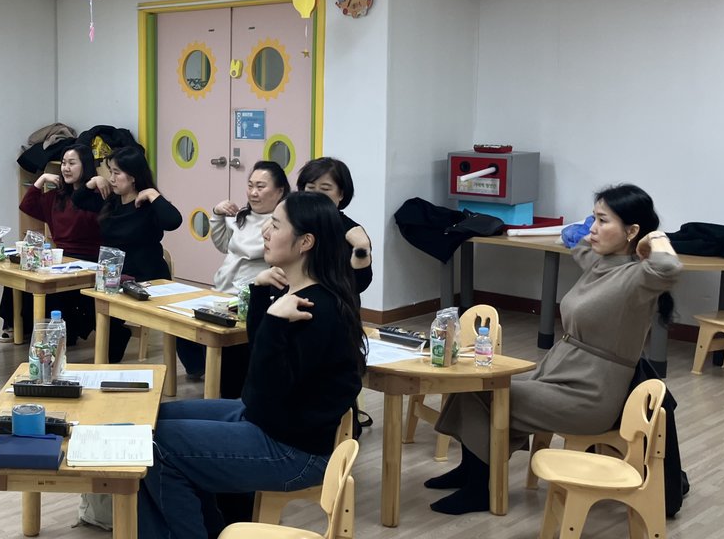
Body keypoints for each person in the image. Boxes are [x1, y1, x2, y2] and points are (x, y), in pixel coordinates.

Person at [428, 183, 681, 515]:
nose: (593, 228)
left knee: (484, 393)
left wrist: (655, 238)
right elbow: (575, 239)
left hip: (589, 394)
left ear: (632, 231)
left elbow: (668, 267)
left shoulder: (639, 279)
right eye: (594, 218)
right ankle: (470, 471)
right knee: (472, 383)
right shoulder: (601, 263)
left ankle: (479, 487)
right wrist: (592, 229)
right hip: (561, 375)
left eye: (603, 220)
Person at [137, 191, 368, 538]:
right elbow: (261, 364)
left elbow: (264, 387)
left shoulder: (315, 310)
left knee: (153, 444)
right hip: (268, 420)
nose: (265, 231)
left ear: (305, 242)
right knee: (150, 420)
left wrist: (274, 320)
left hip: (293, 448)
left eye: (275, 225)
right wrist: (261, 295)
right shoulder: (296, 294)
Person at [176, 160, 290, 388]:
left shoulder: (281, 225)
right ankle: (203, 369)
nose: (253, 192)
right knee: (181, 321)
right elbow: (224, 246)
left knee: (220, 344)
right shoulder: (242, 217)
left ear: (279, 191)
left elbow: (250, 249)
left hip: (246, 297)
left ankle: (219, 377)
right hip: (222, 290)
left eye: (261, 187)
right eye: (250, 185)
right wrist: (218, 216)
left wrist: (236, 227)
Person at [75, 145, 182, 362]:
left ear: (133, 177)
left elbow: (174, 221)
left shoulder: (148, 205)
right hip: (113, 278)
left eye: (117, 173)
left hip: (145, 277)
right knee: (82, 302)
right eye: (110, 172)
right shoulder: (111, 201)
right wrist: (93, 182)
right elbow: (78, 200)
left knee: (106, 310)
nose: (112, 179)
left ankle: (109, 358)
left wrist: (152, 194)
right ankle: (111, 351)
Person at [0, 144, 103, 343]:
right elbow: (27, 205)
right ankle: (18, 325)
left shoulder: (96, 197)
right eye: (63, 163)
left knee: (48, 286)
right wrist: (42, 179)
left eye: (72, 163)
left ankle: (56, 330)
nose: (66, 168)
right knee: (19, 275)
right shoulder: (58, 196)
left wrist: (94, 184)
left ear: (85, 166)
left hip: (87, 260)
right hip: (60, 257)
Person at [297, 157, 373, 294]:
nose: (316, 194)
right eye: (310, 187)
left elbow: (360, 284)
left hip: (335, 301)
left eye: (325, 189)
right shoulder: (293, 222)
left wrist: (361, 248)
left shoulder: (352, 232)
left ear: (341, 194)